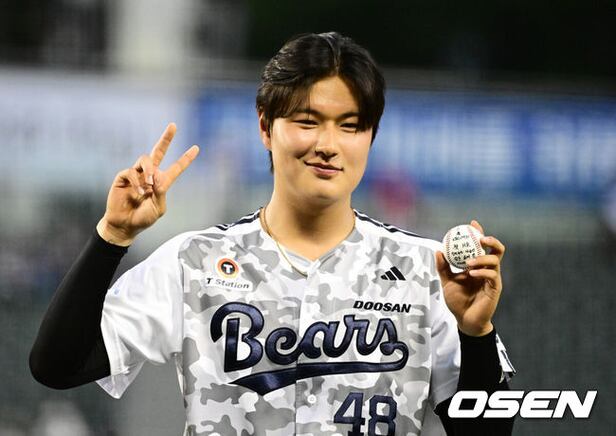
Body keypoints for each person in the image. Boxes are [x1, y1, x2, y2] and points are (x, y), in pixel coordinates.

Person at [30, 32, 515, 435]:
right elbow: (56, 366)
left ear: (371, 136)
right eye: (307, 122)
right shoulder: (195, 261)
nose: (328, 145)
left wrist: (476, 334)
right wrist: (112, 235)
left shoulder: (427, 269)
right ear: (266, 126)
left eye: (350, 126)